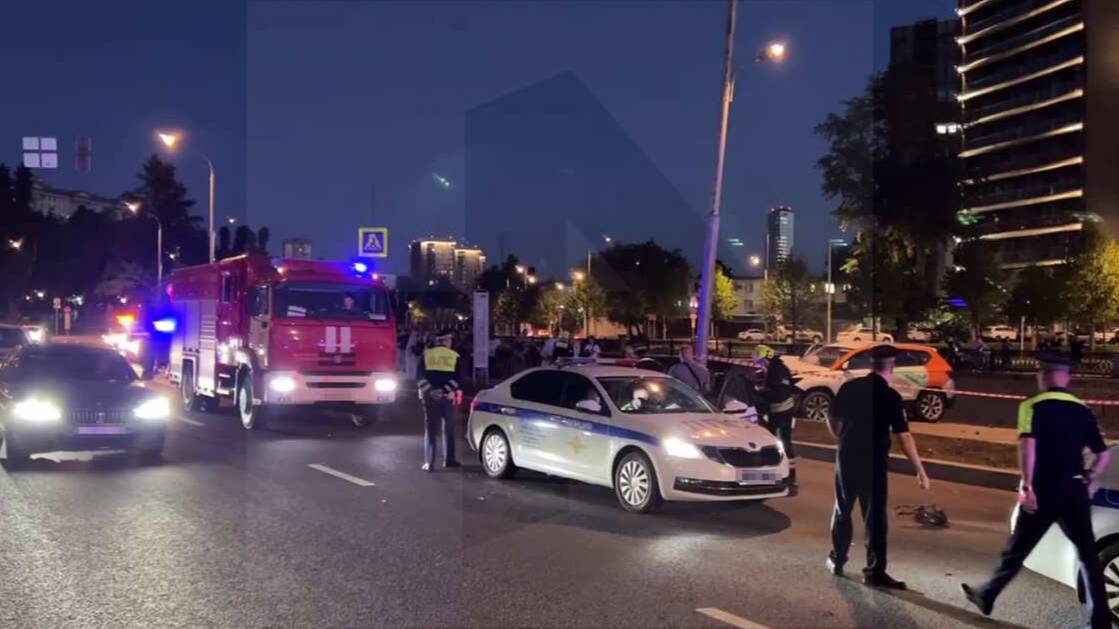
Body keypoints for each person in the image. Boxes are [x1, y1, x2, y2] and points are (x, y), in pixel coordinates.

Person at [962, 353, 1112, 627]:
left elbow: (1027, 446)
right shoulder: (1082, 409)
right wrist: (1089, 477)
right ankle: (1099, 621)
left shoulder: (1032, 405)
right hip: (1074, 489)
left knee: (1018, 549)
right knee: (1088, 556)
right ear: (1066, 377)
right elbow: (1103, 454)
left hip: (1043, 488)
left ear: (1044, 375)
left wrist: (1027, 485)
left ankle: (987, 594)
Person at [827, 344, 930, 589]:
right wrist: (920, 470)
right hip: (873, 463)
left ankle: (837, 560)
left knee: (842, 509)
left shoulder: (850, 387)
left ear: (871, 365)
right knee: (875, 519)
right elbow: (904, 436)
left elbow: (832, 418)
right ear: (892, 367)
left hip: (847, 458)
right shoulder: (891, 397)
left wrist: (840, 439)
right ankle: (874, 572)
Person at [753, 344, 799, 494]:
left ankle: (788, 477)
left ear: (766, 358)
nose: (760, 365)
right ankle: (778, 475)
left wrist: (761, 393)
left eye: (761, 362)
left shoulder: (776, 370)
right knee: (778, 441)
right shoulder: (776, 367)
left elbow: (778, 393)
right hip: (779, 410)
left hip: (782, 411)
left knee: (783, 442)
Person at [416, 330, 462, 471]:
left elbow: (419, 377)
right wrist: (446, 390)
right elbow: (458, 378)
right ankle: (449, 460)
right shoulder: (455, 356)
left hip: (430, 398)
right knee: (449, 428)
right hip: (447, 397)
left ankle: (429, 462)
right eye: (449, 340)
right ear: (446, 341)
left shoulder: (426, 355)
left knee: (431, 429)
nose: (450, 342)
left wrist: (431, 390)